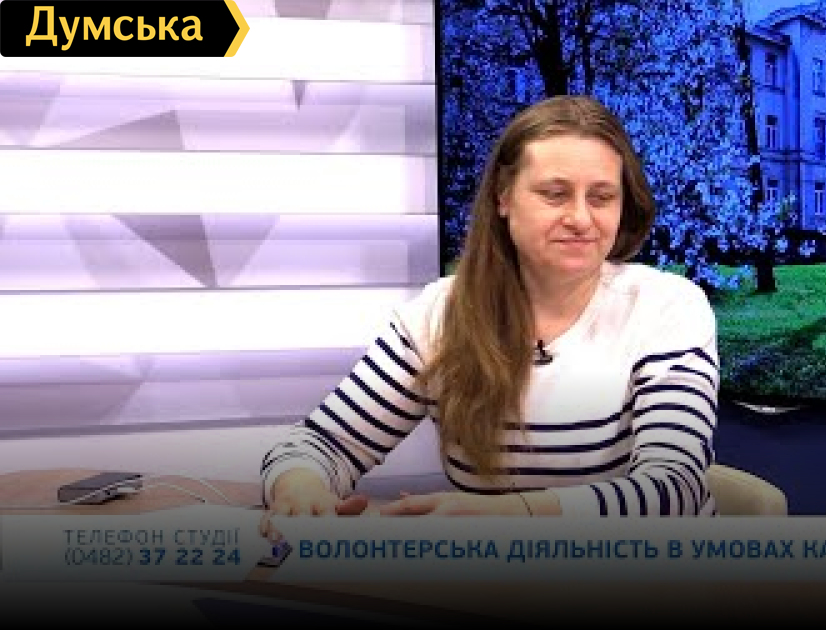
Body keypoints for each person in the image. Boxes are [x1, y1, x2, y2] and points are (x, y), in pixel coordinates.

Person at [259, 95, 719, 519]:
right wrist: (301, 488)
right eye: (555, 194)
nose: (580, 218)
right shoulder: (438, 315)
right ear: (503, 196)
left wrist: (514, 517)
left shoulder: (667, 307)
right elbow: (319, 444)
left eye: (601, 197)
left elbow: (673, 491)